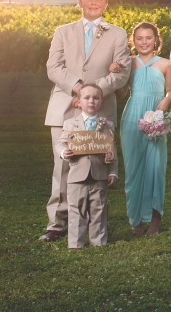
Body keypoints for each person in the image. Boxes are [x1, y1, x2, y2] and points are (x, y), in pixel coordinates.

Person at [40, 0, 130, 242]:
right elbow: (53, 67)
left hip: (100, 108)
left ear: (106, 4)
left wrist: (93, 93)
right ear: (79, 3)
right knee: (63, 164)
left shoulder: (118, 34)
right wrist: (79, 89)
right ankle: (57, 224)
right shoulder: (62, 32)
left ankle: (93, 223)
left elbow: (122, 72)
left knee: (97, 165)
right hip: (66, 106)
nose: (93, 2)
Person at [119, 22, 171, 236]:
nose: (144, 42)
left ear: (155, 40)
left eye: (148, 38)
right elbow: (120, 93)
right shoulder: (128, 63)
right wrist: (115, 72)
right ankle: (135, 220)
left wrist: (165, 102)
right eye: (139, 38)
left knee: (155, 168)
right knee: (133, 169)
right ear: (133, 41)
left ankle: (154, 218)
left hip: (155, 116)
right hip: (132, 116)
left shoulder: (165, 64)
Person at [58, 83, 118, 249]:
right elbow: (60, 143)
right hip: (77, 174)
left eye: (96, 98)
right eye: (87, 98)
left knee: (99, 207)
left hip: (100, 173)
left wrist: (113, 172)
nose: (91, 101)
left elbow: (112, 149)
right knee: (76, 208)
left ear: (101, 102)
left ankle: (98, 241)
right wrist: (63, 151)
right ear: (78, 102)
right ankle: (76, 243)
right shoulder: (70, 124)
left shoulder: (107, 124)